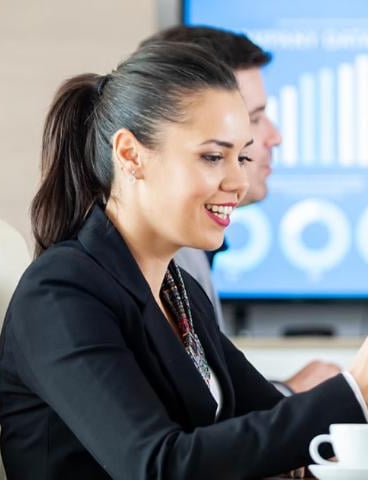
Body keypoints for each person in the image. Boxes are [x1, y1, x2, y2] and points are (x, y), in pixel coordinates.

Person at [0, 42, 368, 479]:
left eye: (242, 157)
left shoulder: (178, 292)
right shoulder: (61, 292)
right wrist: (356, 392)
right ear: (131, 155)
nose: (237, 181)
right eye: (214, 157)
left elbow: (266, 422)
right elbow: (158, 466)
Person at [140, 25, 340, 394]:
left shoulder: (188, 264)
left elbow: (215, 406)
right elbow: (182, 435)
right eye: (254, 118)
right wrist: (301, 396)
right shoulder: (160, 262)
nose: (272, 137)